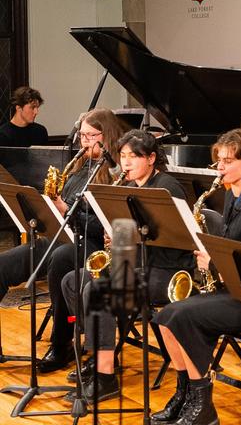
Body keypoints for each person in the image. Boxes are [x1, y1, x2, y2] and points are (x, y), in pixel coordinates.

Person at [150, 128, 241, 425]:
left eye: (227, 161)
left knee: (183, 317)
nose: (220, 167)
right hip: (234, 292)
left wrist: (214, 264)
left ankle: (203, 407)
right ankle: (187, 393)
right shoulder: (233, 196)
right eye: (219, 161)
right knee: (166, 317)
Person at [60, 129, 194, 402]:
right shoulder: (129, 188)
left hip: (168, 271)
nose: (126, 163)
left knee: (99, 292)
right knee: (73, 281)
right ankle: (99, 350)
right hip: (137, 265)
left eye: (134, 156)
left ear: (152, 158)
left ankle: (105, 374)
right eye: (122, 156)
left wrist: (133, 239)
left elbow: (177, 239)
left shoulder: (166, 188)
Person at [0, 108, 126, 373]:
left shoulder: (116, 173)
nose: (85, 141)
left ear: (108, 136)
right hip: (63, 236)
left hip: (92, 246)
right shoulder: (79, 169)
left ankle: (62, 343)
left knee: (61, 256)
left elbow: (106, 224)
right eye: (82, 135)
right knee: (3, 265)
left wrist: (66, 210)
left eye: (92, 135)